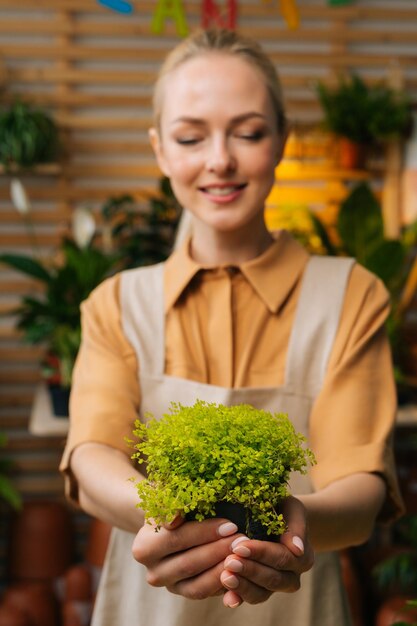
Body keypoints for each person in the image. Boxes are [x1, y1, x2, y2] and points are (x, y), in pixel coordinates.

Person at [60, 28, 404, 626]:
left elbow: (362, 487)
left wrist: (289, 526)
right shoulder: (117, 302)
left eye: (247, 132)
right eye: (190, 137)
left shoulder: (350, 294)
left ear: (280, 141)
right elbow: (92, 456)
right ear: (160, 150)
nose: (219, 159)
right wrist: (162, 514)